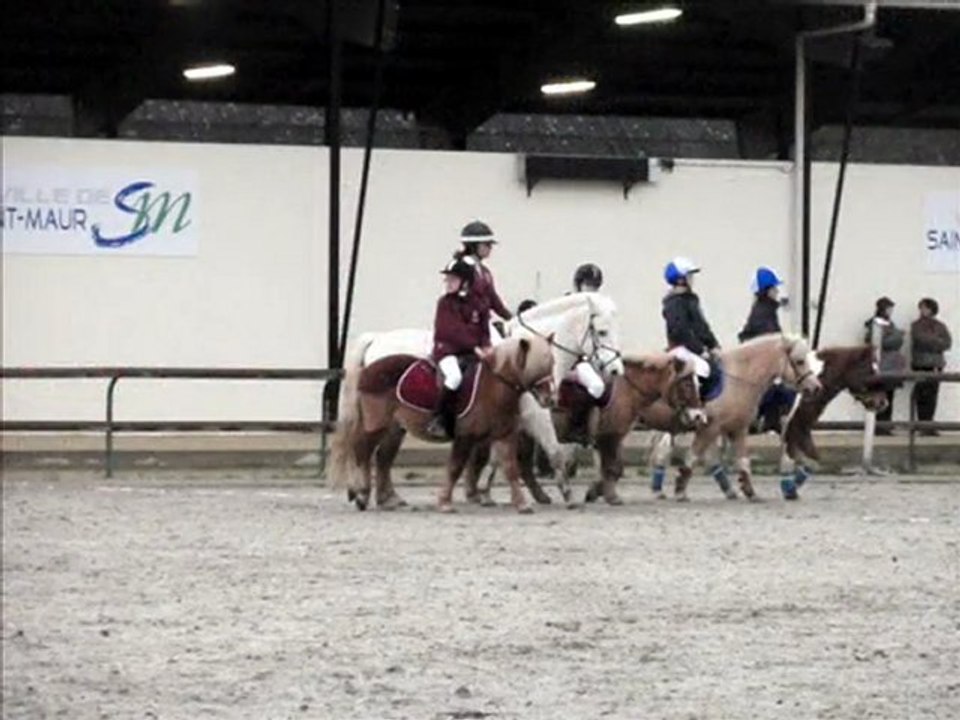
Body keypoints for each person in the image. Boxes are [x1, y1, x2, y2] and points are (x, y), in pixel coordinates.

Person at [426, 257, 490, 440]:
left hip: (472, 352)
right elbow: (453, 332)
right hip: (447, 351)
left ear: (465, 283)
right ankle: (438, 419)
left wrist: (486, 346)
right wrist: (475, 346)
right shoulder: (445, 303)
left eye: (453, 279)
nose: (448, 283)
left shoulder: (479, 304)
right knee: (455, 377)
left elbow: (484, 330)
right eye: (447, 279)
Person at [739, 266, 795, 433]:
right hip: (764, 365)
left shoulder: (765, 310)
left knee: (776, 393)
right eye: (774, 288)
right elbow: (770, 338)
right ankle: (763, 424)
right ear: (766, 291)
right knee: (778, 393)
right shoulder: (764, 313)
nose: (777, 291)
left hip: (764, 363)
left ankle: (769, 423)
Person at [662, 256, 720, 386]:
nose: (692, 279)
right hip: (680, 348)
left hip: (691, 348)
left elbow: (701, 327)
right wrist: (700, 350)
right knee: (704, 369)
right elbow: (680, 332)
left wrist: (713, 345)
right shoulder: (674, 303)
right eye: (689, 276)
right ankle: (695, 403)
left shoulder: (690, 299)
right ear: (681, 279)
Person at [864, 296, 906, 435]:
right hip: (882, 364)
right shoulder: (875, 324)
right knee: (880, 395)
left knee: (889, 395)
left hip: (891, 365)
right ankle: (880, 426)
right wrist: (898, 336)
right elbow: (878, 342)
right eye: (889, 308)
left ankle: (886, 424)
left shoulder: (889, 324)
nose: (890, 311)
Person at [910, 297, 952, 436]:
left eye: (925, 307)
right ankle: (922, 424)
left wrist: (933, 342)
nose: (922, 310)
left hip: (936, 365)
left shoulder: (940, 325)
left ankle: (929, 424)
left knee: (932, 396)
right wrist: (936, 341)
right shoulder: (916, 325)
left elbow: (947, 343)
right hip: (921, 364)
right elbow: (920, 339)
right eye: (921, 307)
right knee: (922, 394)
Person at [456, 220, 512, 321]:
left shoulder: (485, 272)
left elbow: (493, 300)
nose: (490, 248)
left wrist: (510, 318)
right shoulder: (460, 268)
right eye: (487, 245)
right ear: (474, 246)